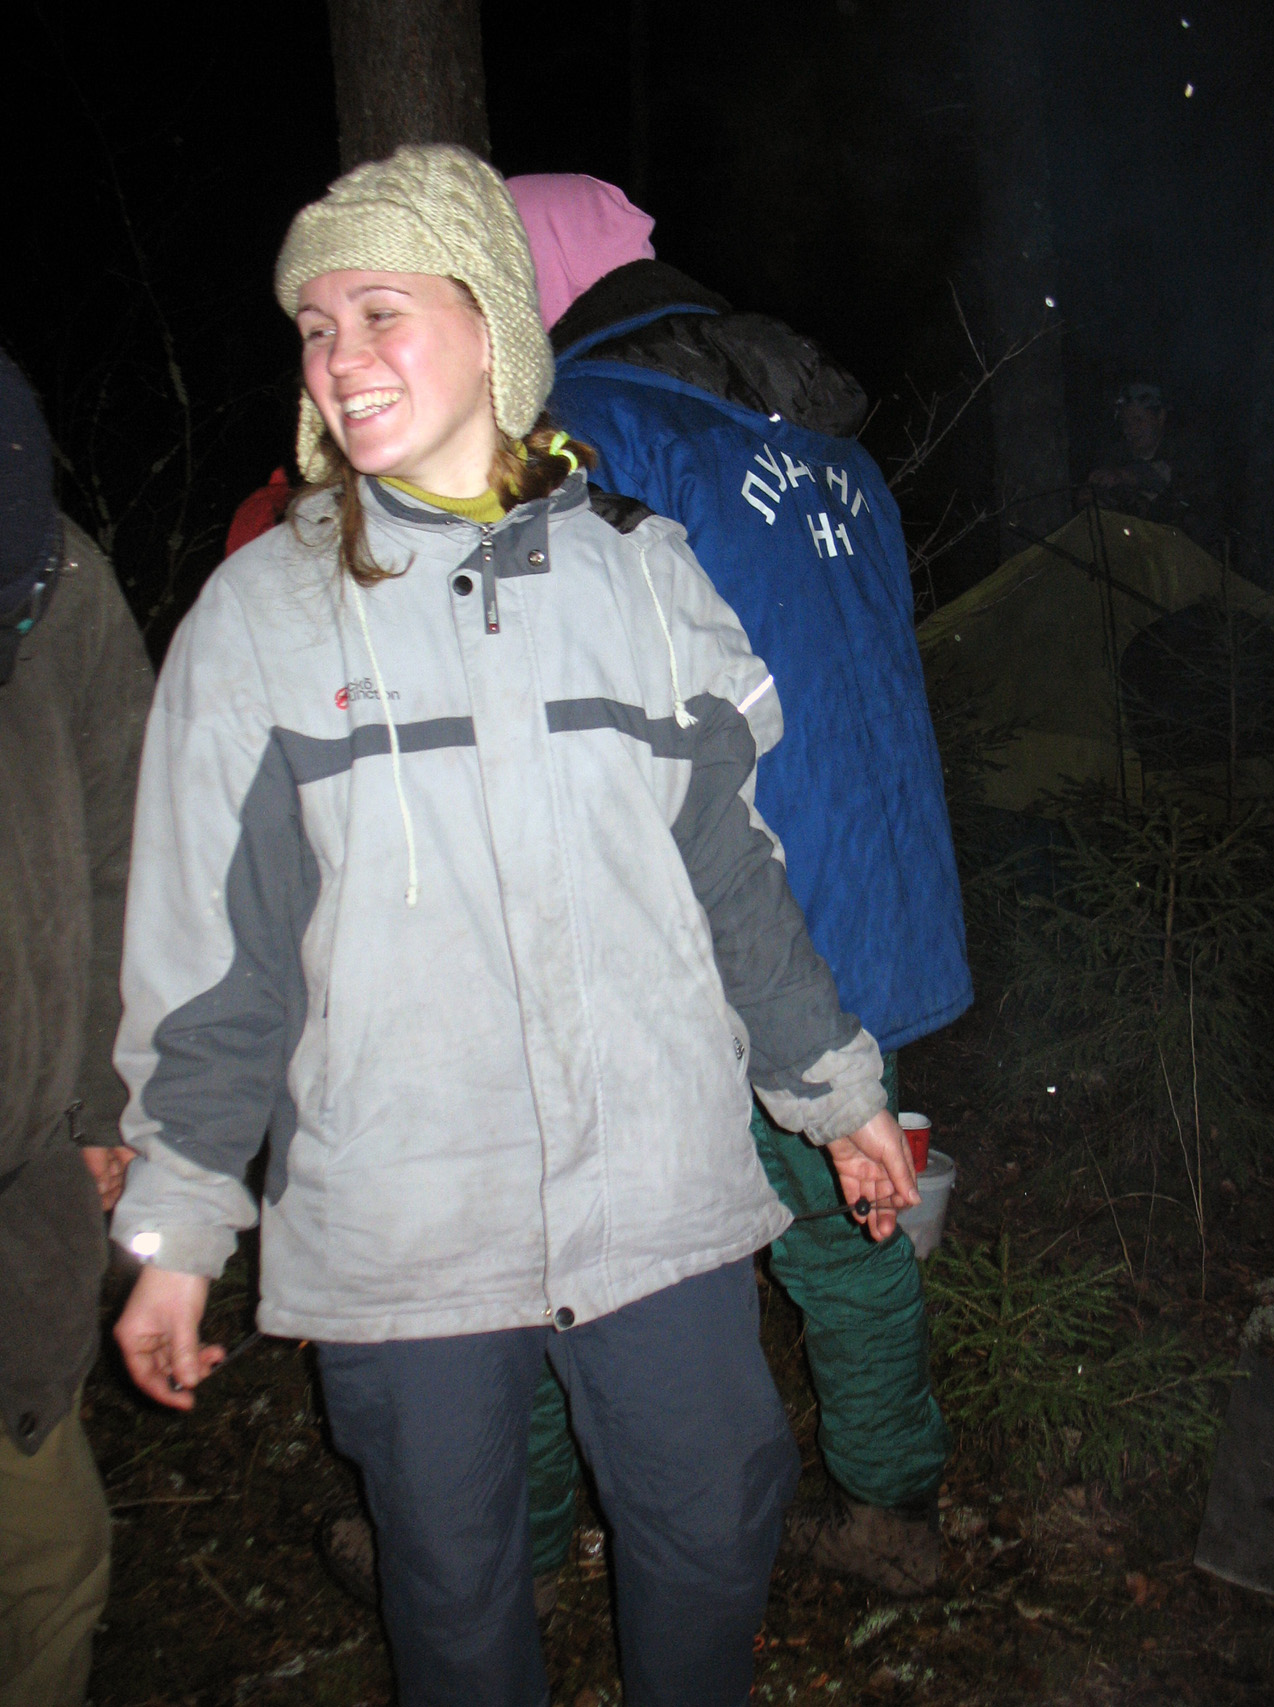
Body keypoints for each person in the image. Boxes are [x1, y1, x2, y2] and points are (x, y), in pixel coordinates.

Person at [108, 145, 920, 1707]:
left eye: (381, 312)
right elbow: (217, 957)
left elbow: (733, 872)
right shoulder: (262, 616)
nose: (341, 358)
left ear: (493, 323)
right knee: (455, 1589)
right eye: (316, 328)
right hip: (405, 1215)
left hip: (658, 1188)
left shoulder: (642, 574)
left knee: (716, 1515)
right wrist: (179, 1225)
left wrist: (841, 1091)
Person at [502, 173, 968, 1596]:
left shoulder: (590, 429)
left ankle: (517, 1545)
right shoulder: (829, 446)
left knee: (550, 1235)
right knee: (851, 1223)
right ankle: (893, 1507)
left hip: (726, 908)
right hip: (870, 895)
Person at [0, 349, 152, 1707]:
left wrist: (107, 1100)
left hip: (26, 1190)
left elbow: (122, 849)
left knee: (51, 1565)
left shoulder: (57, 571)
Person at [1080, 380, 1222, 551]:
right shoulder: (1115, 457)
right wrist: (1093, 498)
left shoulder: (1187, 452)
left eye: (1138, 420)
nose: (1131, 429)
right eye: (1125, 423)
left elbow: (1170, 483)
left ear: (1160, 417)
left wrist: (1125, 476)